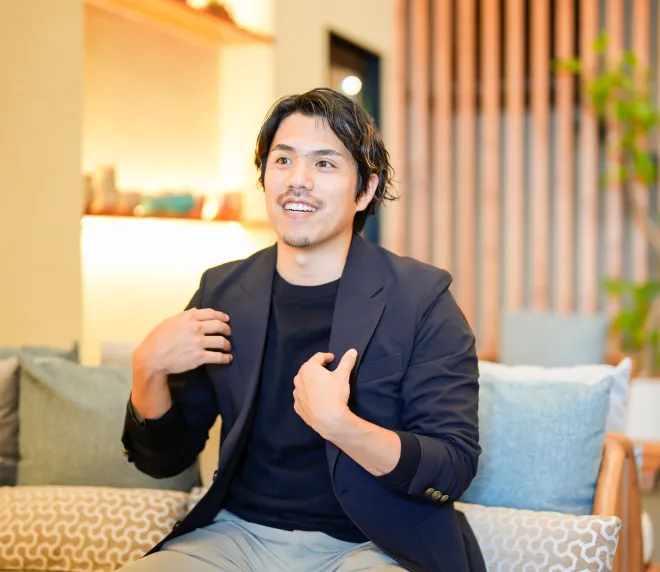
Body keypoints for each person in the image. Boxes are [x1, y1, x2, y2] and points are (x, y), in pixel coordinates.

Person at [120, 87, 485, 572]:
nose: (298, 180)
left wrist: (341, 426)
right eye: (283, 160)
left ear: (365, 190)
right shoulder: (223, 290)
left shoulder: (421, 298)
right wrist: (146, 368)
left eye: (324, 164)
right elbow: (164, 462)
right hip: (236, 537)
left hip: (372, 544)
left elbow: (453, 466)